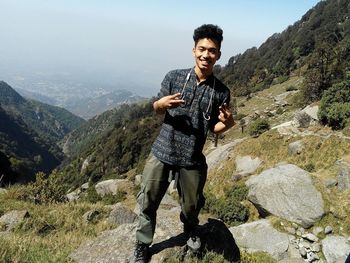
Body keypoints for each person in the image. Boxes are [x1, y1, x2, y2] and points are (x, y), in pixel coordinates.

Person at [132, 24, 235, 263]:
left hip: (191, 158)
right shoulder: (174, 77)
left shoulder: (220, 92)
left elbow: (215, 128)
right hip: (162, 152)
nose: (205, 55)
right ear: (193, 51)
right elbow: (156, 109)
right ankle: (142, 244)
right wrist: (160, 104)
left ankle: (190, 228)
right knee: (148, 202)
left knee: (191, 206)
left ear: (218, 55)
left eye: (211, 50)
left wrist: (228, 124)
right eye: (202, 49)